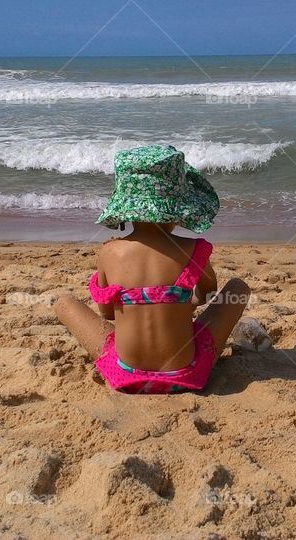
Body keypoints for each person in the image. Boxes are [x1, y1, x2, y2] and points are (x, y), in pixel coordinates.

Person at [54, 145, 251, 394]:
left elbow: (108, 314)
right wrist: (179, 302)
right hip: (184, 375)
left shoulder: (110, 252)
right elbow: (208, 295)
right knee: (238, 289)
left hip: (126, 376)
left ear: (125, 206)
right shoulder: (192, 249)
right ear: (179, 206)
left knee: (64, 303)